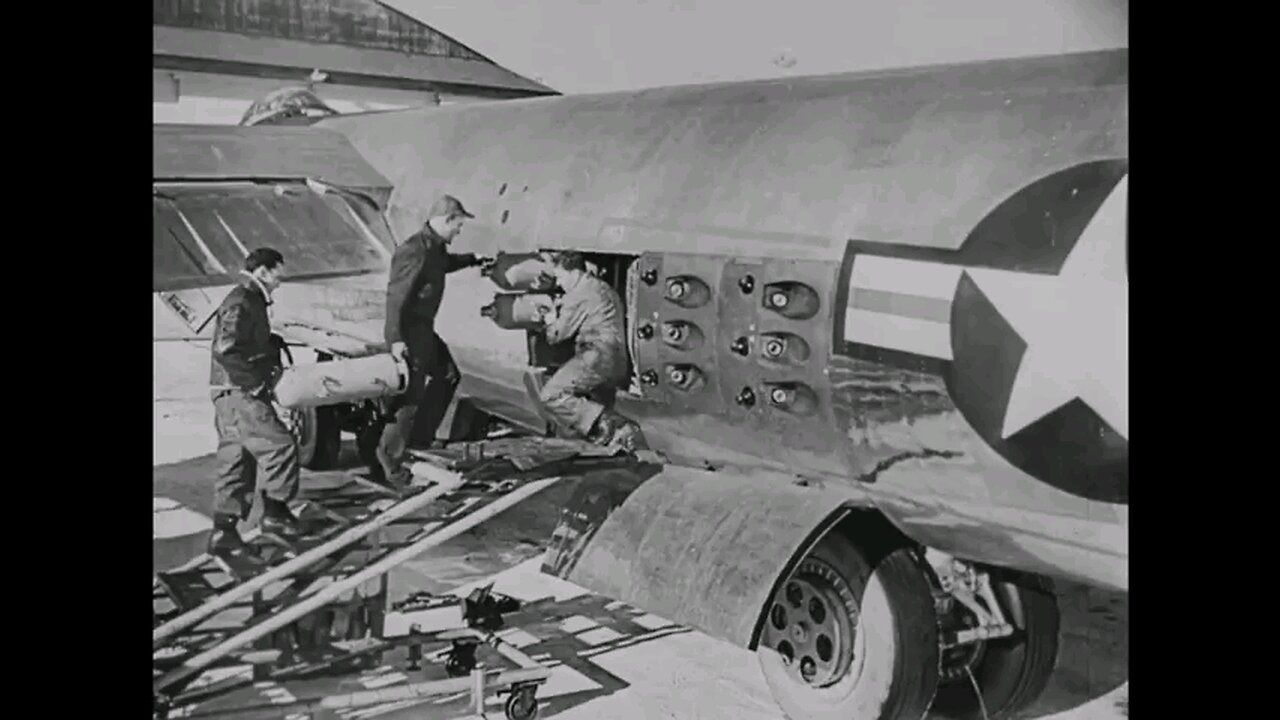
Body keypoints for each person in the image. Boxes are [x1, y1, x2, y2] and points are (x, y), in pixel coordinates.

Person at [376, 194, 486, 487]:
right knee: (408, 397)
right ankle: (391, 463)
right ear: (447, 219)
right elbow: (395, 297)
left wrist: (474, 260)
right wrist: (396, 340)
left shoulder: (435, 248)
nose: (459, 231)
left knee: (448, 375)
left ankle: (420, 441)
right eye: (458, 225)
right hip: (410, 331)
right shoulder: (414, 250)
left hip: (425, 329)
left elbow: (444, 264)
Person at [206, 248, 302, 555]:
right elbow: (227, 348)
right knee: (281, 446)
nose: (279, 281)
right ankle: (275, 512)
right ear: (262, 271)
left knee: (237, 459)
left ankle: (223, 531)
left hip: (226, 394)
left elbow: (236, 343)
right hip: (240, 392)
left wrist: (269, 342)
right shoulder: (243, 300)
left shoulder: (249, 299)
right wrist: (257, 384)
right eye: (277, 274)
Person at [535, 250, 645, 452]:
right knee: (594, 419)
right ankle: (618, 441)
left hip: (595, 357)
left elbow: (556, 336)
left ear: (574, 272)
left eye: (559, 276)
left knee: (552, 395)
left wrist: (550, 319)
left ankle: (618, 426)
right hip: (617, 361)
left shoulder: (578, 294)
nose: (559, 283)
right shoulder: (602, 288)